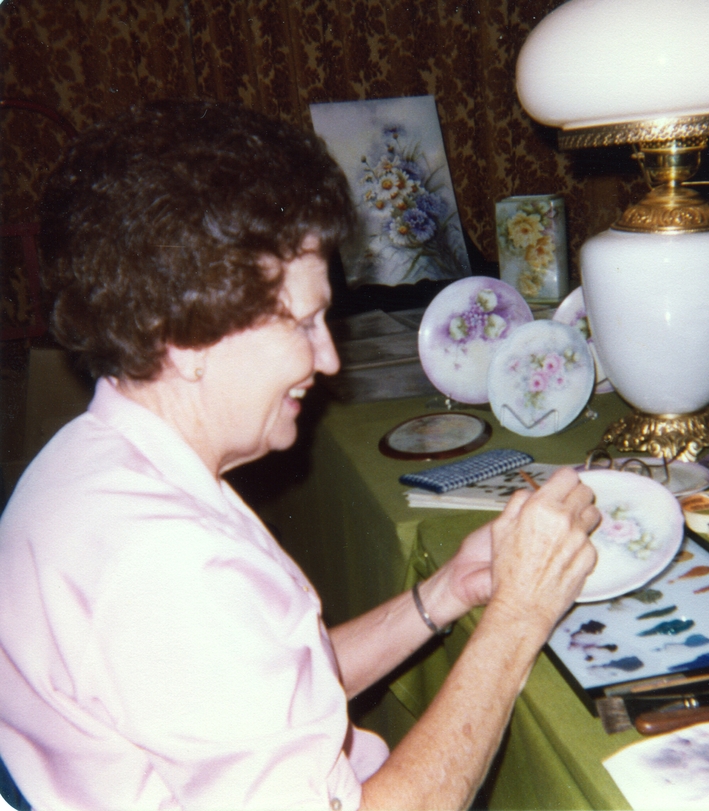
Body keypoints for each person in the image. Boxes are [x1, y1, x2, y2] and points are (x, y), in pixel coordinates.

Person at [0, 99, 599, 810]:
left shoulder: (95, 459)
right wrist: (520, 617)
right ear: (188, 337)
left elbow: (253, 695)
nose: (328, 358)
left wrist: (445, 593)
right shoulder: (172, 570)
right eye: (305, 322)